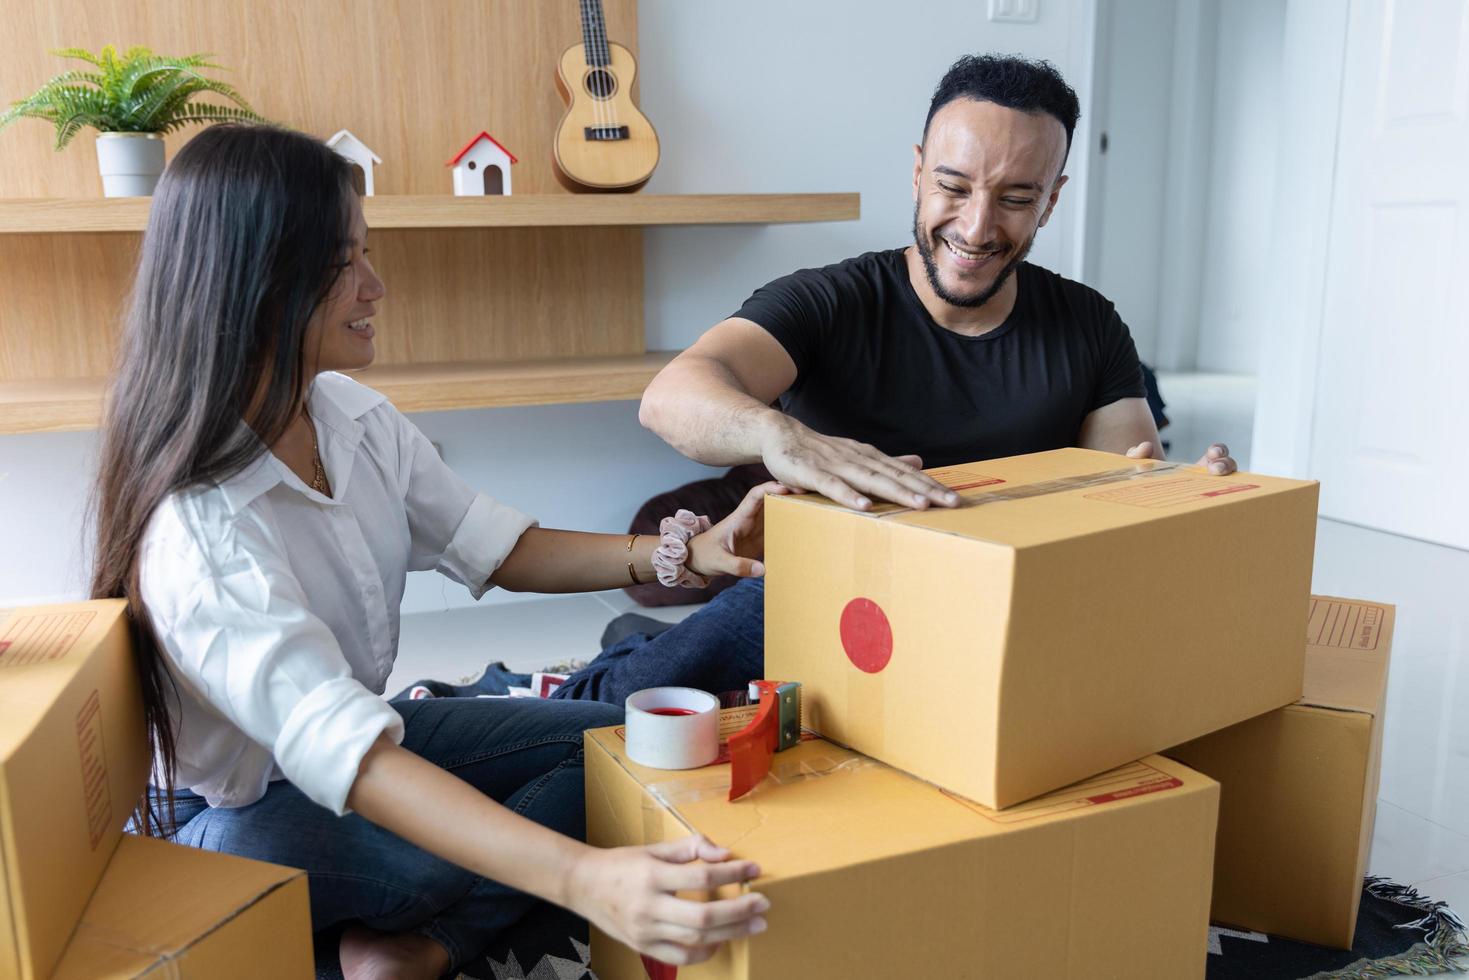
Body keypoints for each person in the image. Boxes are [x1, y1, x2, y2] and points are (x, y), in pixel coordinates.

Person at [89, 125, 779, 979]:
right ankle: (411, 923)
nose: (375, 285)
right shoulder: (200, 533)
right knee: (436, 859)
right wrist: (585, 879)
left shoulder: (347, 415)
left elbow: (499, 549)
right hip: (229, 814)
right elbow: (360, 760)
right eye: (344, 263)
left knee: (611, 750)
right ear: (254, 283)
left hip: (366, 737)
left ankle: (421, 949)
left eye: (364, 253)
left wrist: (684, 553)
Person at [542, 53, 1238, 705]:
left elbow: (1124, 482)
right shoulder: (826, 299)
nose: (976, 225)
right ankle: (554, 681)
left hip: (1001, 601)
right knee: (637, 704)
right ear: (916, 173)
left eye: (1016, 198)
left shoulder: (1089, 323)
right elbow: (670, 397)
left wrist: (1180, 496)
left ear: (1051, 201)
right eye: (952, 186)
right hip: (845, 591)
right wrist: (779, 434)